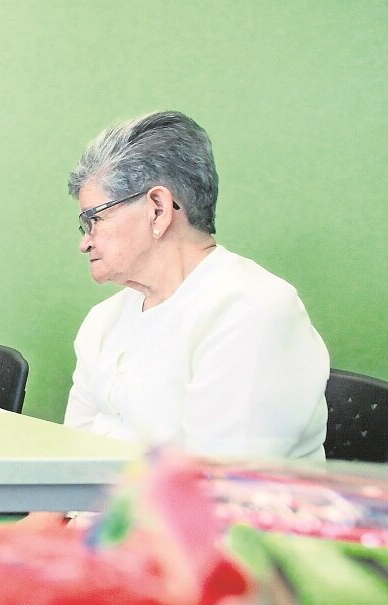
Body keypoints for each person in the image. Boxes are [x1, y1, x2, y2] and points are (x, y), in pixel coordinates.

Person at [64, 110, 328, 461]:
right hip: (100, 513)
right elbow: (67, 461)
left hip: (204, 516)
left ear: (158, 209)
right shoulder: (103, 320)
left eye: (94, 219)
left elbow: (216, 494)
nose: (86, 242)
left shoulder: (252, 310)